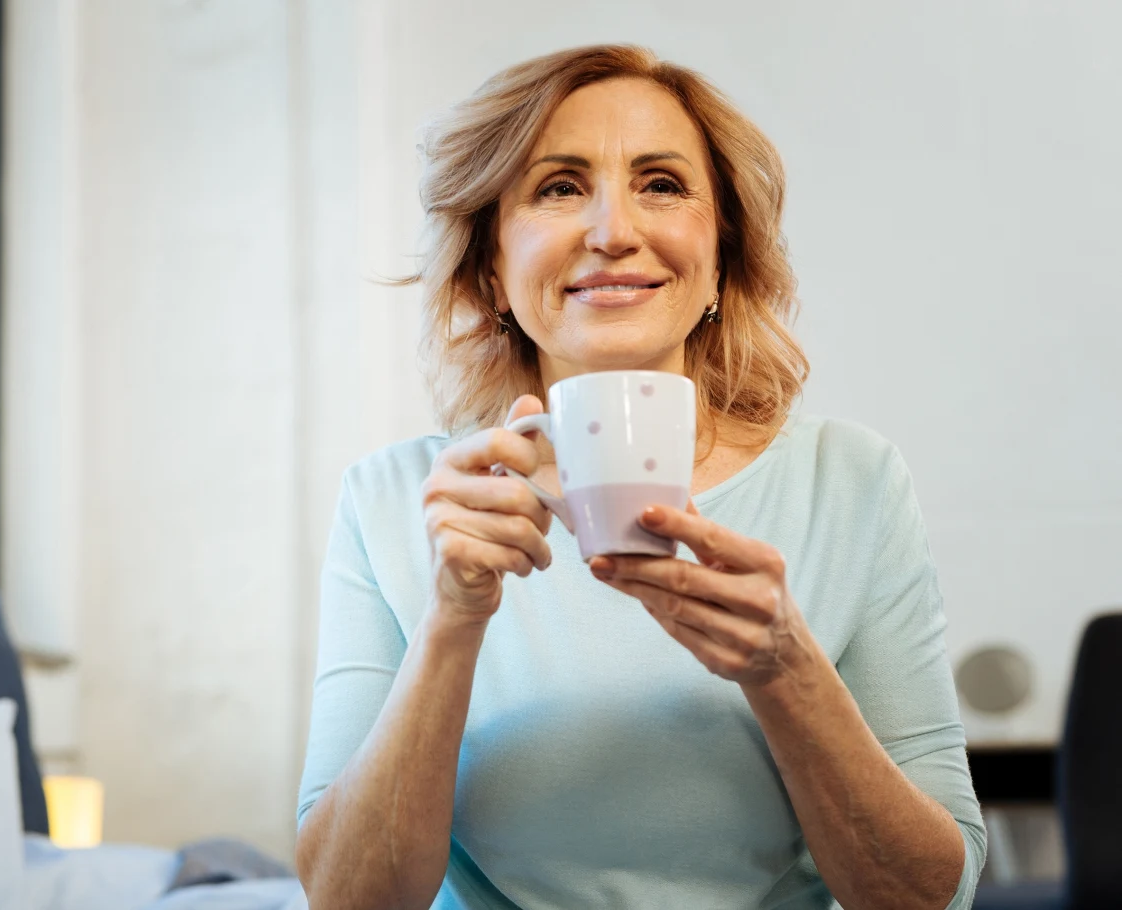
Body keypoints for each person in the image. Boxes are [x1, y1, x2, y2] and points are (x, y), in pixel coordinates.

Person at [295, 44, 986, 910]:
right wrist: (453, 618)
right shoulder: (391, 501)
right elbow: (347, 899)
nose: (615, 231)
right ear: (491, 270)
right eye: (558, 187)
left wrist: (786, 671)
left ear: (720, 260)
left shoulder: (854, 483)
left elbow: (931, 897)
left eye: (662, 184)